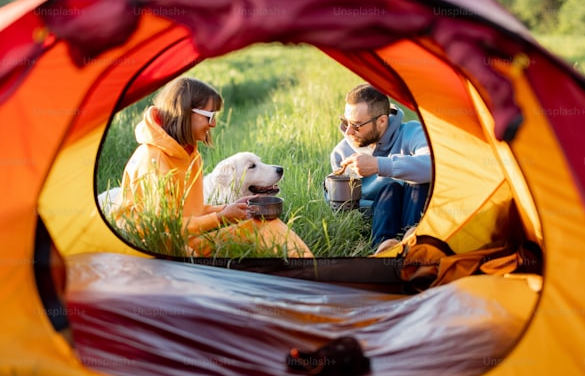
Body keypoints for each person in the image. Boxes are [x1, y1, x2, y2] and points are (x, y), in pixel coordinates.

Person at [116, 77, 312, 258]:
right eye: (210, 116)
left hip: (186, 240)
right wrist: (220, 217)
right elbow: (164, 230)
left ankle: (311, 272)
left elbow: (193, 212)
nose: (214, 124)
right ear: (184, 112)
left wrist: (230, 209)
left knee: (268, 225)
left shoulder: (190, 155)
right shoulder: (153, 160)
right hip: (157, 250)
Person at [330, 83, 432, 253]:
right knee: (389, 189)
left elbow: (431, 165)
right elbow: (341, 208)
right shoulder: (342, 153)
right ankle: (384, 249)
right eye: (345, 122)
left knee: (416, 177)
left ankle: (413, 243)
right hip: (379, 216)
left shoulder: (412, 133)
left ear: (382, 121)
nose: (348, 131)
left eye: (356, 125)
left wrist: (379, 165)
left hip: (413, 210)